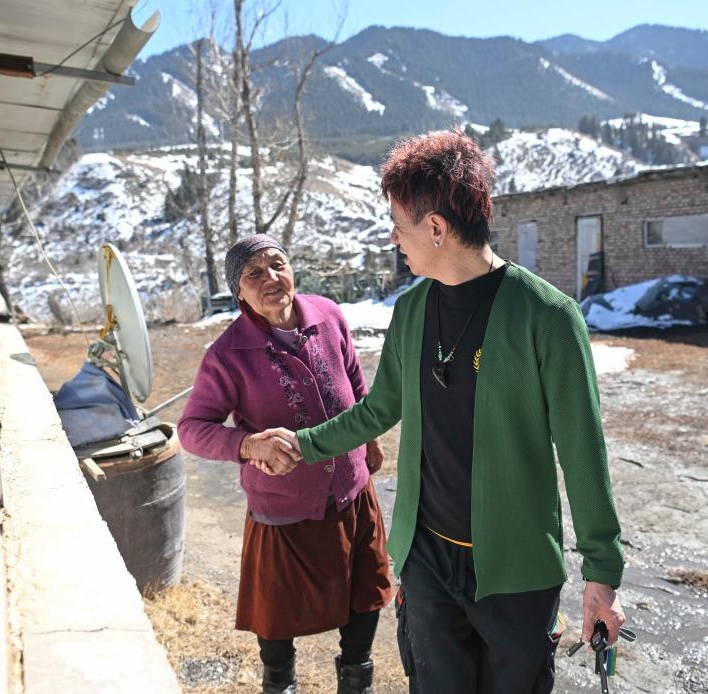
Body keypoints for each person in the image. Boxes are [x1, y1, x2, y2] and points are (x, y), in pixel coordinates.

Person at [264, 129, 626, 693]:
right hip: (428, 563)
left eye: (399, 225)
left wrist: (602, 573)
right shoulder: (412, 310)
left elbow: (583, 452)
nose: (393, 238)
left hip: (517, 573)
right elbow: (379, 408)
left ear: (436, 228)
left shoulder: (548, 317)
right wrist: (303, 443)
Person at [177, 234, 393, 694]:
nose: (270, 278)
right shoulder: (228, 354)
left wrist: (369, 439)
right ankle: (280, 684)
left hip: (352, 489)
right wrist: (248, 445)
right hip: (284, 506)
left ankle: (356, 680)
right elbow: (192, 428)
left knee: (366, 595)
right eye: (253, 274)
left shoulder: (328, 315)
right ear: (239, 292)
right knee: (276, 617)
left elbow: (354, 377)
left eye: (278, 264)